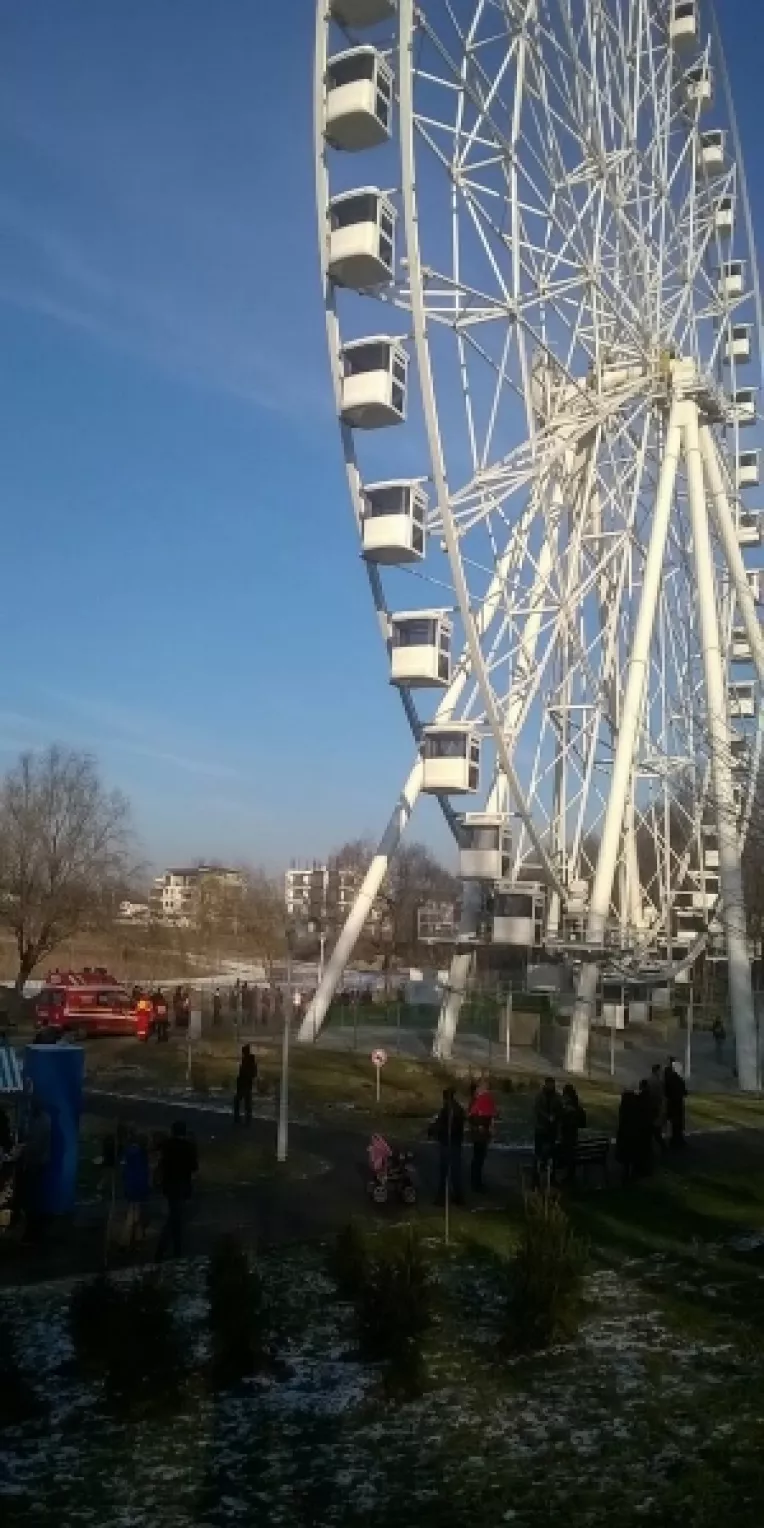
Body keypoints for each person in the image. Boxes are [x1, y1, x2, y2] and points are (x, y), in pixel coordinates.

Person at [155, 1121, 198, 1261]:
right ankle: (168, 1249)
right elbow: (194, 1168)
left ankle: (172, 1248)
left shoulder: (167, 1145)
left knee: (175, 1215)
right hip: (182, 1185)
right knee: (175, 1218)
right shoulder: (189, 1147)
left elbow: (161, 1162)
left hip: (169, 1185)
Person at [18, 1097, 51, 1242]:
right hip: (28, 1161)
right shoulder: (26, 1116)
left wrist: (23, 1148)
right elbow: (21, 1134)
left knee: (32, 1197)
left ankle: (33, 1230)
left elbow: (37, 1145)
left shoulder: (44, 1121)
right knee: (27, 1195)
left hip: (36, 1163)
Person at [432, 1087, 465, 1206]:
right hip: (456, 1143)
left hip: (448, 1143)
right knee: (455, 1171)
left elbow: (442, 1125)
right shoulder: (458, 1109)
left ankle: (441, 1198)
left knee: (444, 1172)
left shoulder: (448, 1109)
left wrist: (433, 1130)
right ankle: (459, 1197)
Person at [121, 1129, 151, 1247]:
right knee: (135, 1212)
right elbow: (145, 1171)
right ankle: (131, 1238)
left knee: (132, 1211)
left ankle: (131, 1238)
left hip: (130, 1184)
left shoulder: (127, 1152)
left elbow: (123, 1167)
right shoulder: (142, 1154)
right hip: (139, 1186)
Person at [468, 1079, 498, 1192]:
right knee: (478, 1158)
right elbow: (471, 1116)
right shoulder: (477, 1099)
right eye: (485, 1087)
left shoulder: (481, 1098)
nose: (487, 1089)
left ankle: (477, 1181)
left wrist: (491, 1125)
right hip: (479, 1133)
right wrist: (479, 1125)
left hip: (483, 1132)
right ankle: (475, 1183)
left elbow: (490, 1114)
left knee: (480, 1158)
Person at [533, 1077, 562, 1184]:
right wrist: (547, 1117)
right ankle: (536, 1177)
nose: (550, 1086)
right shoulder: (540, 1096)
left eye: (552, 1084)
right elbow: (537, 1110)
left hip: (551, 1129)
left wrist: (555, 1116)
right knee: (539, 1154)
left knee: (551, 1154)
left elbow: (560, 1110)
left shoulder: (557, 1096)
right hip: (541, 1128)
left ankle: (551, 1177)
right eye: (549, 1084)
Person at [558, 1083, 586, 1184]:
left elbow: (561, 1121)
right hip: (574, 1137)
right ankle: (570, 1174)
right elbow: (583, 1124)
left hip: (567, 1137)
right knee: (571, 1153)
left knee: (567, 1153)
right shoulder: (578, 1107)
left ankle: (568, 1176)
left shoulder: (567, 1109)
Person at [615, 1088, 641, 1185]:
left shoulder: (624, 1108)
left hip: (625, 1135)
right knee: (633, 1156)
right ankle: (633, 1174)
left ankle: (625, 1176)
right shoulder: (636, 1108)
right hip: (634, 1135)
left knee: (626, 1159)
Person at [664, 1057, 687, 1149]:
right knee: (678, 1123)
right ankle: (678, 1140)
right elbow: (684, 1092)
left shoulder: (669, 1078)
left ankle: (674, 1140)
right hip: (678, 1104)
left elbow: (666, 1091)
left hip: (672, 1103)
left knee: (674, 1123)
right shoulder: (679, 1080)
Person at [234, 1043, 257, 1125]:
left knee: (238, 1101)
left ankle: (239, 1119)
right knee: (247, 1104)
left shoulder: (247, 1061)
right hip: (246, 1084)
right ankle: (247, 1120)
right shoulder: (250, 1061)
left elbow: (244, 1073)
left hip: (244, 1084)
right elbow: (253, 1073)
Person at [647, 1064, 666, 1154]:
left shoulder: (650, 1080)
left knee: (652, 1131)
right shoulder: (657, 1082)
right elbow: (659, 1095)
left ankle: (651, 1148)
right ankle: (663, 1148)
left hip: (652, 1108)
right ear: (657, 1071)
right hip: (656, 1108)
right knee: (656, 1131)